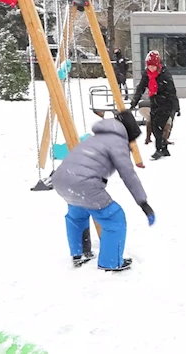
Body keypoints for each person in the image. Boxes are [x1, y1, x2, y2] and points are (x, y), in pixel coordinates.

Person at [51, 110, 155, 272]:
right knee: (114, 218)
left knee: (77, 214)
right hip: (84, 183)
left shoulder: (95, 138)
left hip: (61, 178)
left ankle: (80, 253)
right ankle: (111, 262)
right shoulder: (117, 142)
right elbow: (128, 174)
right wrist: (143, 202)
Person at [130, 51, 179, 160]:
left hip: (167, 103)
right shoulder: (147, 74)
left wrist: (176, 107)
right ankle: (164, 149)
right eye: (149, 66)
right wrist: (134, 101)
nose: (151, 68)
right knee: (154, 126)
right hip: (155, 102)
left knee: (157, 127)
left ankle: (159, 149)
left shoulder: (165, 75)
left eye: (153, 66)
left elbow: (172, 91)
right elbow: (141, 88)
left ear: (158, 65)